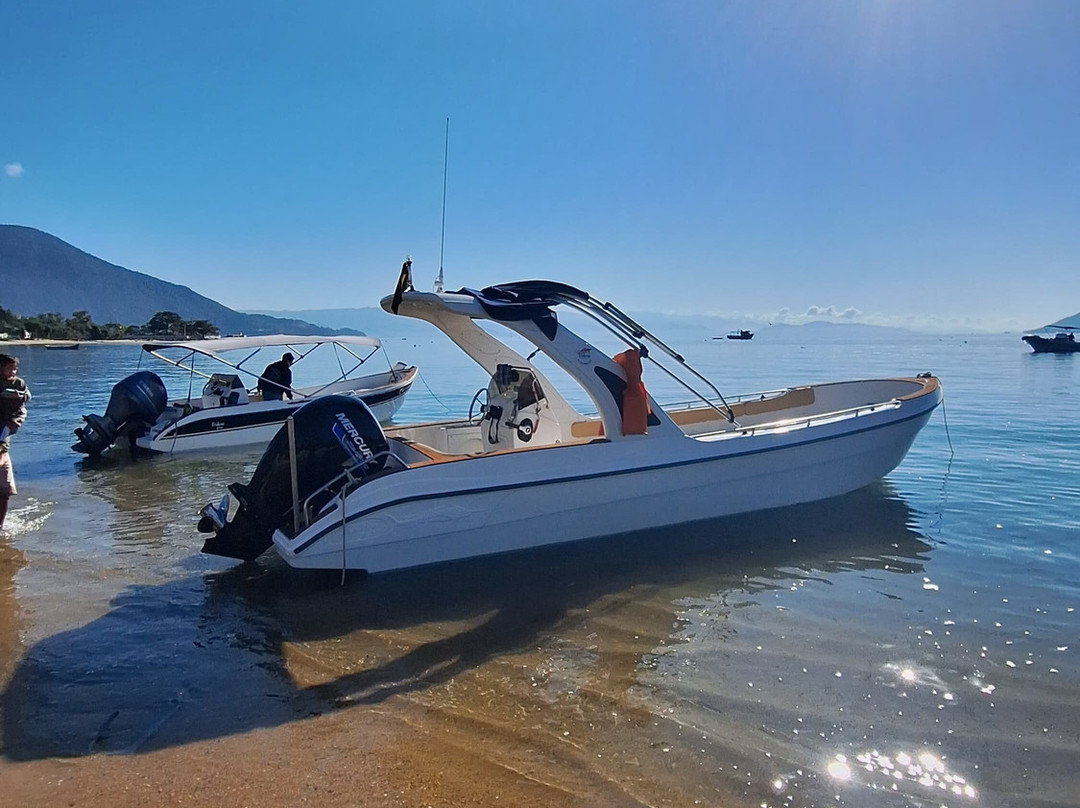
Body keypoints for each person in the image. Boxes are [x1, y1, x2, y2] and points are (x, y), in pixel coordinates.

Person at [0, 354, 31, 529]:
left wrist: (18, 419)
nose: (12, 372)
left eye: (15, 368)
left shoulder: (19, 383)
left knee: (4, 491)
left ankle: (0, 528)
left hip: (3, 445)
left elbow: (25, 402)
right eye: (9, 368)